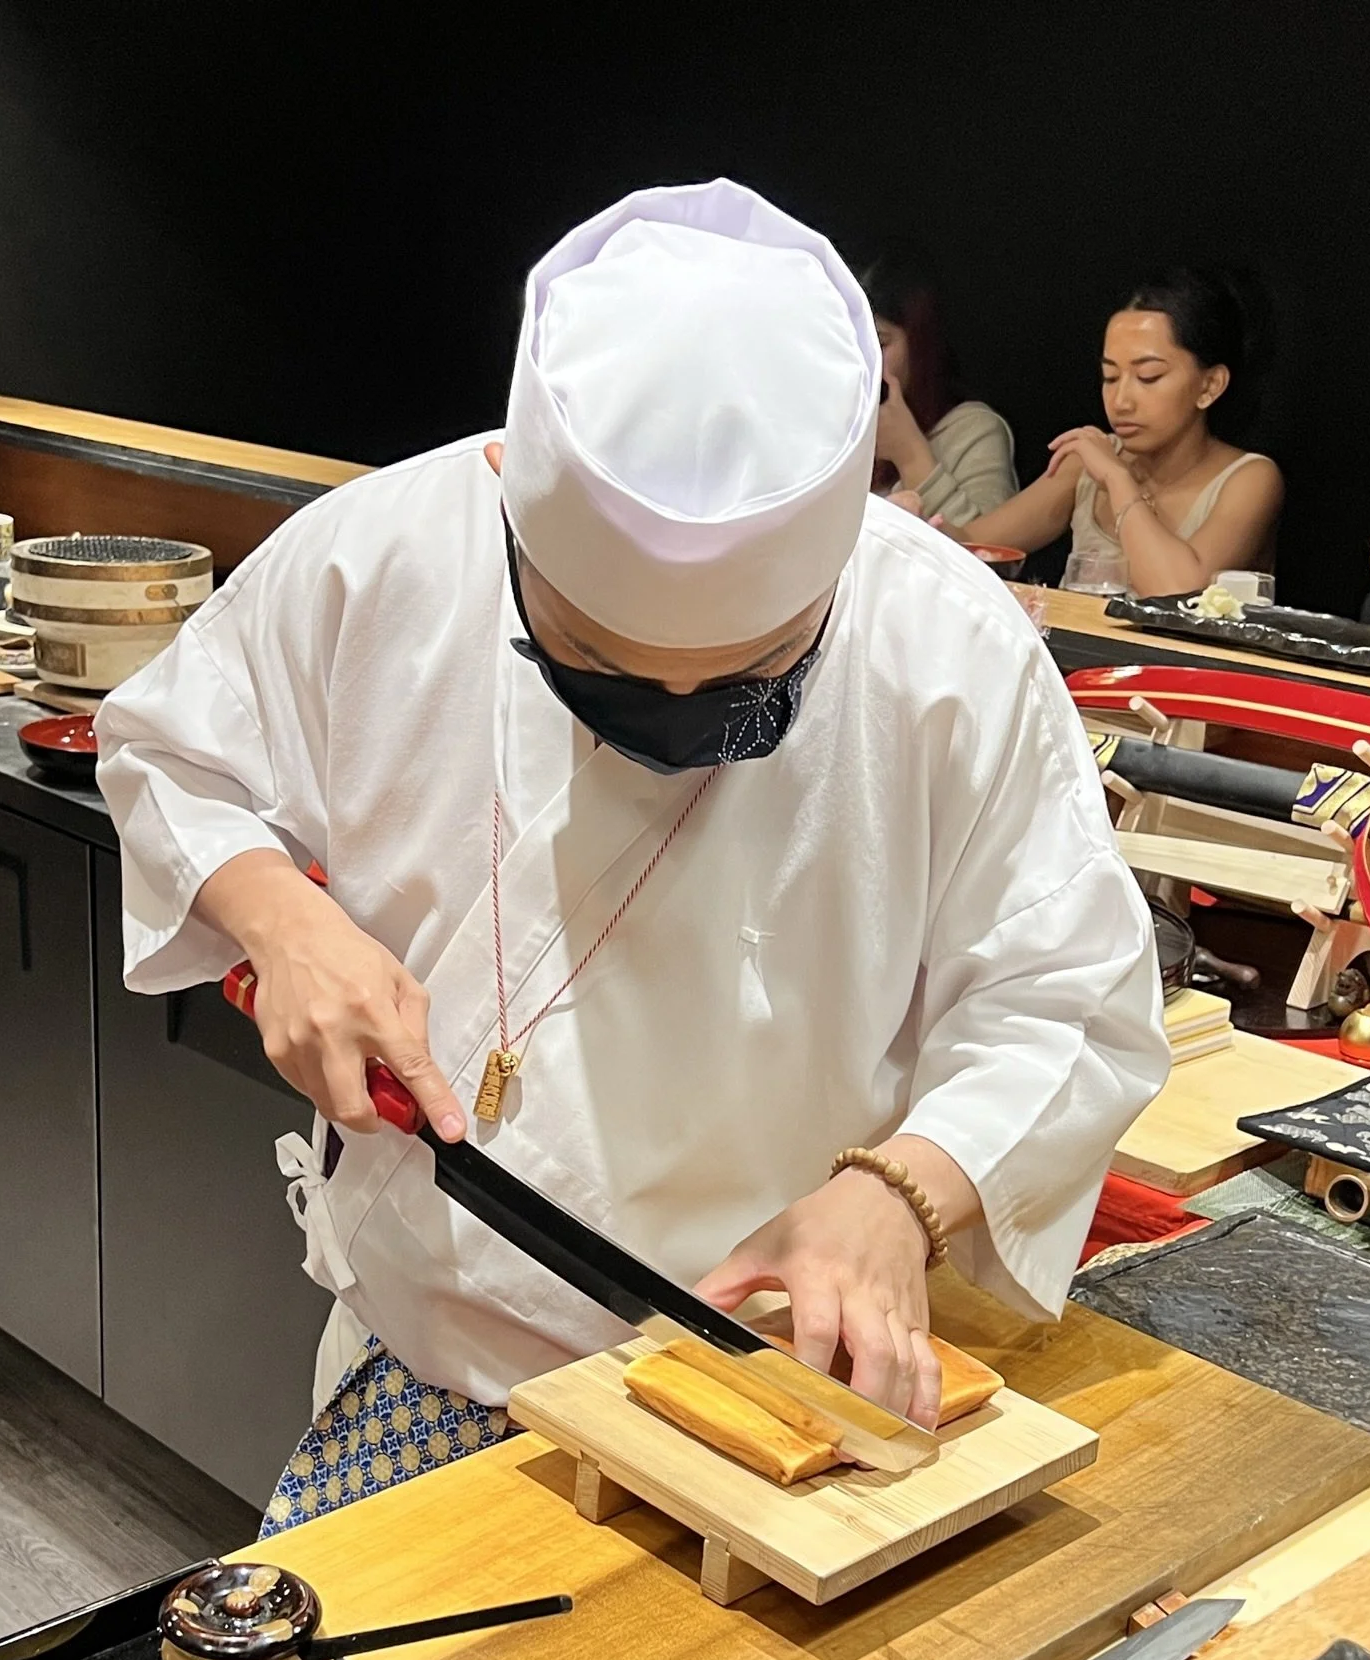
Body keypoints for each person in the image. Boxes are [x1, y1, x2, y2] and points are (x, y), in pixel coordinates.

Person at [95, 179, 1168, 1531]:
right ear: (508, 490)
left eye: (750, 677)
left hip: (776, 1399)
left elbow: (1067, 993)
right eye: (598, 664)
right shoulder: (381, 552)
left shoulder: (946, 643)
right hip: (433, 1360)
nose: (672, 719)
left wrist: (905, 1191)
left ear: (846, 544)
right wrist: (280, 919)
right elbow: (170, 753)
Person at [937, 269, 1282, 596]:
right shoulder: (1089, 462)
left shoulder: (1250, 479)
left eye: (1148, 377)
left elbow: (1179, 593)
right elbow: (974, 546)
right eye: (1110, 377)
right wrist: (915, 522)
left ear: (1209, 386)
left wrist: (1118, 479)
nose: (1120, 401)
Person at [864, 249, 1017, 525]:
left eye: (880, 342)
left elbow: (988, 558)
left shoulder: (973, 431)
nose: (864, 357)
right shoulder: (836, 425)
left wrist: (908, 453)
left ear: (921, 344)